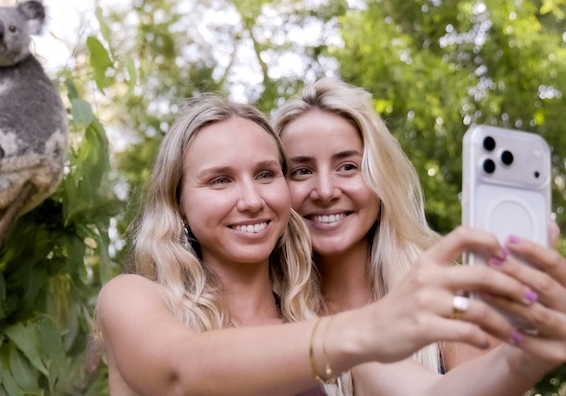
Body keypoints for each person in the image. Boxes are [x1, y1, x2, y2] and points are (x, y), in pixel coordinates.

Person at [95, 93, 559, 396]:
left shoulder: (315, 326)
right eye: (220, 180)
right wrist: (369, 327)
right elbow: (181, 373)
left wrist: (525, 356)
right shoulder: (134, 299)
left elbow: (435, 393)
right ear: (178, 203)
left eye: (266, 174)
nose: (252, 200)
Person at [271, 77, 566, 395]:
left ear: (380, 178)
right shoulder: (266, 308)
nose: (325, 191)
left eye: (347, 167)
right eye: (302, 171)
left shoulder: (443, 293)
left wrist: (523, 357)